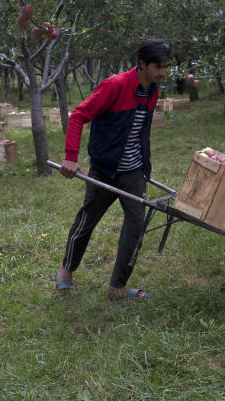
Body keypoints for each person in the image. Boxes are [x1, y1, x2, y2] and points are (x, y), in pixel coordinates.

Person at [56, 39, 171, 299]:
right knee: (87, 221)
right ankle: (66, 270)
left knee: (136, 224)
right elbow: (78, 116)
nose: (162, 72)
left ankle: (116, 287)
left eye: (165, 67)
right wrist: (71, 156)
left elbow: (140, 130)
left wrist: (144, 166)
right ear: (142, 64)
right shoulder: (115, 86)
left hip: (133, 171)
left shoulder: (152, 90)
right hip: (105, 169)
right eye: (158, 67)